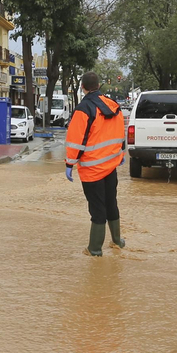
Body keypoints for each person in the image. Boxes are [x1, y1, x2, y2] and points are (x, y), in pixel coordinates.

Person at [64, 71, 128, 257]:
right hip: (110, 166)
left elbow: (76, 140)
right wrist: (120, 153)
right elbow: (119, 133)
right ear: (99, 86)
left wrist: (69, 164)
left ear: (83, 87)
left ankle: (94, 250)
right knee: (111, 203)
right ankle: (117, 241)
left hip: (92, 170)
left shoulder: (83, 109)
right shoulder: (114, 106)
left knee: (97, 209)